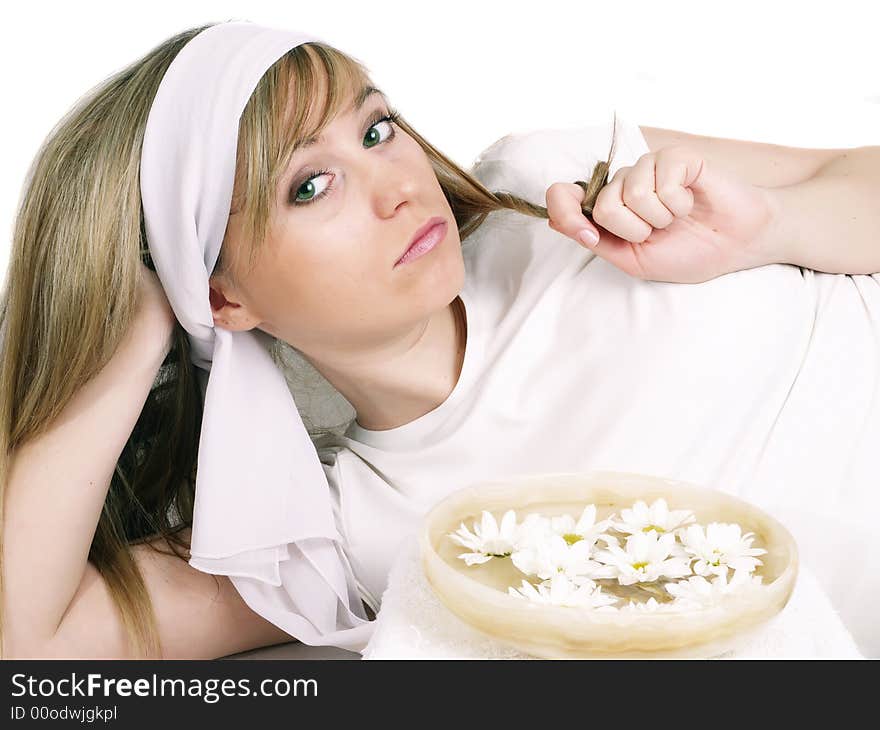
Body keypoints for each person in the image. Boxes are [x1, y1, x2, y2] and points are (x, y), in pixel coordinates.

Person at [2, 19, 878, 660]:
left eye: (377, 128)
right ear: (222, 296)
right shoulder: (347, 529)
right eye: (311, 186)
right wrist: (132, 321)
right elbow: (32, 642)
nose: (396, 185)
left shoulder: (554, 184)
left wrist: (769, 227)